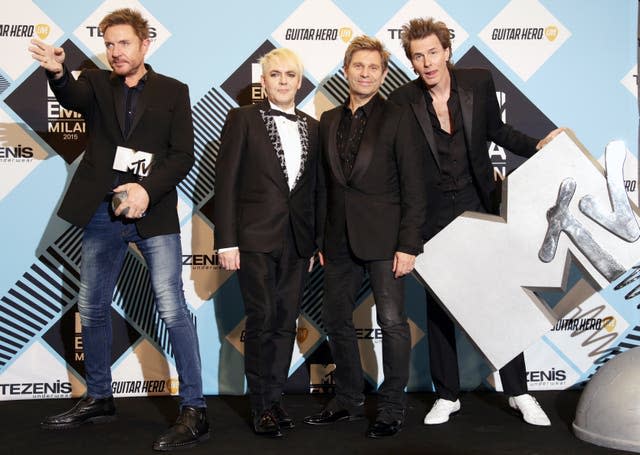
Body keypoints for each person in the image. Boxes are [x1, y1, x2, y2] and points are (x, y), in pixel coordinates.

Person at [29, 8, 209, 451]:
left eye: (124, 43)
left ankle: (195, 408)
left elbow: (182, 155)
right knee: (90, 306)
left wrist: (146, 190)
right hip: (101, 213)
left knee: (171, 308)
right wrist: (56, 73)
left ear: (145, 44)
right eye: (109, 44)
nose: (115, 52)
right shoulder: (94, 83)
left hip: (154, 212)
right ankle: (99, 397)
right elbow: (70, 93)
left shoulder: (173, 91)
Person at [389, 17, 563, 427]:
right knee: (440, 309)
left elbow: (498, 131)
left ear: (447, 51)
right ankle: (447, 395)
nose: (428, 62)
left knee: (501, 302)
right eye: (418, 56)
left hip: (478, 206)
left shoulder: (477, 82)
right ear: (412, 62)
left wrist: (537, 144)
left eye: (433, 52)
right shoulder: (401, 102)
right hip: (432, 217)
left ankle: (519, 391)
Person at [303, 36, 425, 438]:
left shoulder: (398, 117)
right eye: (359, 66)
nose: (366, 73)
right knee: (336, 319)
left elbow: (414, 184)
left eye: (374, 67)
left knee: (391, 322)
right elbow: (323, 186)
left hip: (387, 241)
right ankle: (348, 399)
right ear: (346, 70)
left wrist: (408, 244)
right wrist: (321, 238)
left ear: (384, 74)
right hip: (337, 240)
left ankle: (391, 406)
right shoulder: (331, 120)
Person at [212, 48, 318, 438]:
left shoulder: (312, 126)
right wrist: (226, 241)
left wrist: (312, 242)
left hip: (296, 242)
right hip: (253, 238)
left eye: (291, 74)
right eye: (276, 75)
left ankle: (274, 400)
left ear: (300, 81)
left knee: (285, 323)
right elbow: (226, 183)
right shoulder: (242, 119)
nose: (284, 81)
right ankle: (259, 406)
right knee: (261, 320)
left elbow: (313, 191)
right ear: (264, 81)